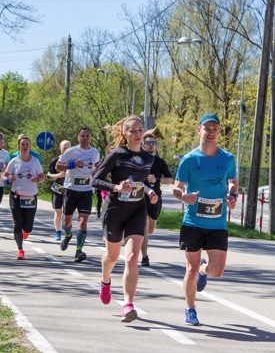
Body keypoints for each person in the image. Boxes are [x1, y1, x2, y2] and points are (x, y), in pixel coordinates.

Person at [173, 113, 238, 326]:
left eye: (214, 129)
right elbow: (176, 187)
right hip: (193, 221)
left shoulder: (227, 158)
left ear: (219, 132)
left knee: (217, 271)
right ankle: (190, 309)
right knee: (189, 269)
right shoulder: (189, 160)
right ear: (198, 130)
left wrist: (232, 195)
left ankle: (204, 270)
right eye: (206, 128)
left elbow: (233, 182)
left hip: (217, 222)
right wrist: (183, 196)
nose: (210, 133)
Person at [92, 115, 158, 323]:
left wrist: (149, 192)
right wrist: (116, 187)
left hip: (137, 210)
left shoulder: (148, 158)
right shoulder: (117, 155)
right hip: (115, 209)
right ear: (124, 133)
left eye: (140, 130)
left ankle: (128, 304)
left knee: (131, 258)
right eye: (133, 131)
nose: (138, 134)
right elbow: (96, 180)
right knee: (112, 257)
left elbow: (138, 182)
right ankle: (105, 280)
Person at [56, 127, 100, 262]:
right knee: (67, 221)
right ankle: (68, 235)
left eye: (87, 136)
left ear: (90, 138)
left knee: (83, 221)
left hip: (86, 191)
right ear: (78, 137)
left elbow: (97, 167)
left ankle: (79, 251)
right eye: (82, 136)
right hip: (71, 189)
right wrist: (72, 164)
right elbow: (58, 166)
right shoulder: (71, 151)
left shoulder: (95, 152)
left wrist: (95, 170)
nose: (85, 138)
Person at [4, 134, 45, 260]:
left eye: (27, 144)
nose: (25, 146)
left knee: (28, 227)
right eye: (22, 144)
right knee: (17, 223)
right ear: (19, 146)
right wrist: (8, 178)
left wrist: (37, 179)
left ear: (30, 146)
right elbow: (4, 176)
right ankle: (20, 250)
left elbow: (42, 177)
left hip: (31, 197)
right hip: (16, 196)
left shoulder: (35, 161)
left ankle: (25, 231)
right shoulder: (14, 161)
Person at [140, 132, 174, 266]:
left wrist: (157, 179)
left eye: (153, 143)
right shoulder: (139, 159)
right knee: (144, 226)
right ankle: (144, 256)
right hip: (140, 196)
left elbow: (170, 179)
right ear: (143, 145)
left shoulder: (160, 162)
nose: (151, 146)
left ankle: (141, 238)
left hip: (155, 197)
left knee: (151, 228)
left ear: (156, 146)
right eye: (148, 143)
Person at [47, 139, 71, 241]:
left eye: (68, 148)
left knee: (67, 213)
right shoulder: (55, 161)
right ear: (60, 148)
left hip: (69, 189)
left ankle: (67, 231)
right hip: (57, 189)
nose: (65, 150)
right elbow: (48, 176)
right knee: (58, 212)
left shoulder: (73, 160)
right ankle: (58, 232)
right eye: (64, 148)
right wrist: (58, 175)